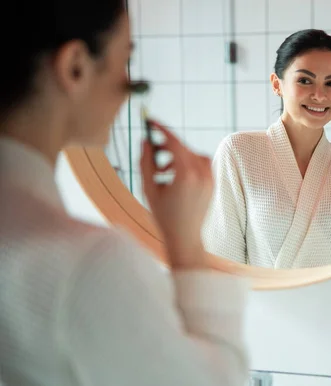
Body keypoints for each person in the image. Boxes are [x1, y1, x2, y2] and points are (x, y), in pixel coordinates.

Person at [0, 1, 249, 385]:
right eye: (125, 60)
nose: (128, 85)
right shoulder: (90, 264)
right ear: (75, 67)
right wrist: (186, 245)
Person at [202, 29, 331, 269]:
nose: (319, 95)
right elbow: (221, 256)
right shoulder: (238, 152)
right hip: (265, 304)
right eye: (305, 80)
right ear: (277, 84)